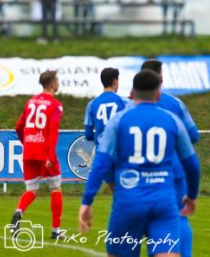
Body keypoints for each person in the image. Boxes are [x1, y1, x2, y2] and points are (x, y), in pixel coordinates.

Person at [78, 70, 200, 257]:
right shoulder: (173, 121)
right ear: (158, 94)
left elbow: (101, 163)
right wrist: (191, 195)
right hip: (163, 203)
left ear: (132, 93)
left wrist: (87, 201)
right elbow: (192, 164)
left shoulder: (119, 120)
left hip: (128, 202)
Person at [142, 59, 199, 257]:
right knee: (180, 218)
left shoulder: (130, 105)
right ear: (161, 78)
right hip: (173, 170)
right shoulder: (175, 103)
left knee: (151, 219)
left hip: (142, 174)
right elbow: (193, 136)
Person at [9, 70, 64, 239]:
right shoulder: (56, 105)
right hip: (45, 151)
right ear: (53, 83)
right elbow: (52, 129)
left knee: (31, 189)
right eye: (57, 80)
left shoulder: (30, 102)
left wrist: (26, 143)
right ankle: (55, 231)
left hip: (30, 150)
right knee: (55, 189)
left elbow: (18, 127)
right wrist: (50, 154)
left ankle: (19, 212)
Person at [84, 67, 128, 145]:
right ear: (115, 81)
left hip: (101, 152)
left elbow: (88, 135)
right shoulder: (125, 102)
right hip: (119, 152)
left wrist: (100, 137)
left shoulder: (91, 104)